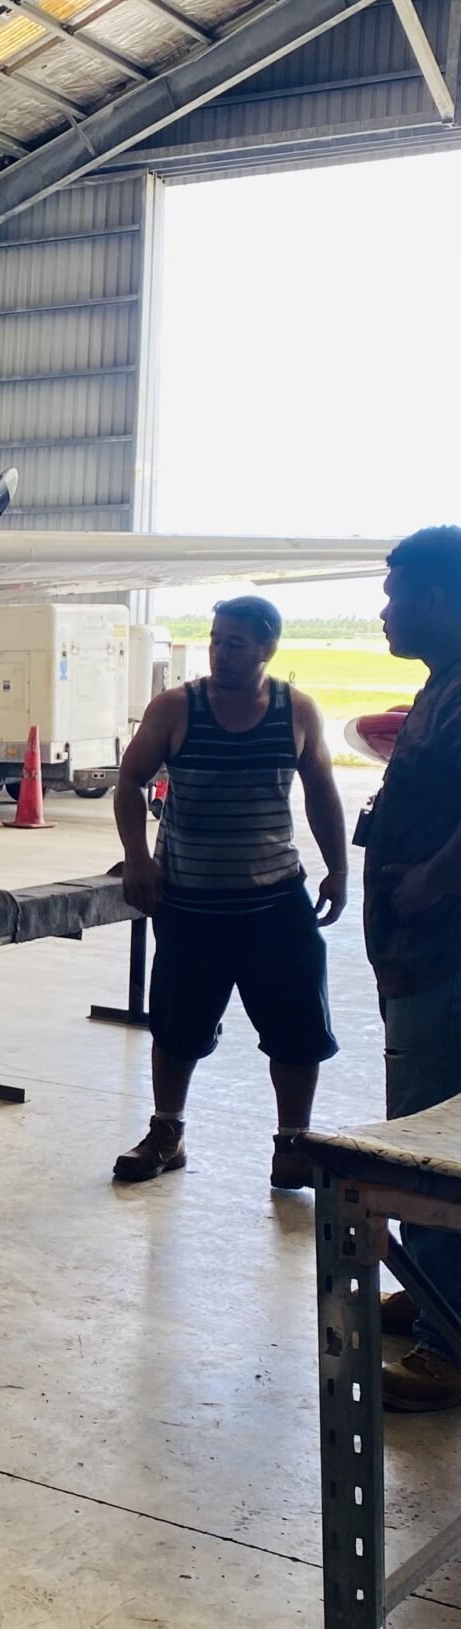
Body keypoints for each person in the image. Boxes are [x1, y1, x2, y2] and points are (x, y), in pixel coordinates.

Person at [111, 595, 349, 1187]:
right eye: (217, 639)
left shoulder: (297, 711)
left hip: (275, 902)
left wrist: (339, 869)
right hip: (191, 903)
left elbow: (321, 790)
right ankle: (167, 1133)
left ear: (268, 648)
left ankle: (293, 1144)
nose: (221, 652)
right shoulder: (174, 709)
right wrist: (138, 859)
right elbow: (130, 781)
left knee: (296, 1028)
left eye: (235, 642)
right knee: (176, 1024)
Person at [360, 527, 461, 1411]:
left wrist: (433, 878)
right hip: (418, 955)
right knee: (423, 1121)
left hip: (445, 955)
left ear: (437, 597)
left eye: (396, 593)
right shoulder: (444, 686)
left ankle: (449, 1343)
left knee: (435, 1141)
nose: (384, 610)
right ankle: (440, 1296)